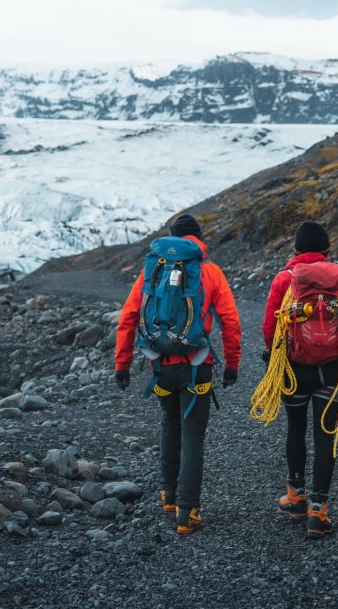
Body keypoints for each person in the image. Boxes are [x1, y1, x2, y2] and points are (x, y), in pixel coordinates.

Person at [114, 213, 242, 535]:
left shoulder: (152, 270)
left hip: (160, 366)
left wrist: (122, 364)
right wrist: (233, 364)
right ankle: (188, 513)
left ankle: (169, 496)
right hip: (197, 366)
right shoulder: (209, 271)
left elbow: (129, 317)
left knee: (169, 424)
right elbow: (230, 321)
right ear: (199, 239)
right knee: (193, 433)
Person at [254, 221, 338, 539]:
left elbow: (268, 327)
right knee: (325, 436)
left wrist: (277, 355)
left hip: (294, 370)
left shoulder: (284, 280)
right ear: (327, 250)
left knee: (295, 428)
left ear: (295, 250)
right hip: (333, 371)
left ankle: (295, 497)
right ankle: (319, 511)